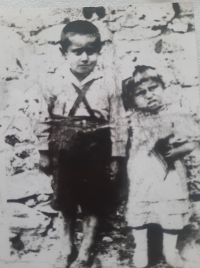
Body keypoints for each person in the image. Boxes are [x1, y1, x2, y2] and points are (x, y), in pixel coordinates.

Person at [38, 20, 127, 267]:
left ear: (100, 51)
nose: (85, 57)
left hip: (97, 148)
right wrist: (43, 150)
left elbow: (119, 120)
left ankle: (86, 250)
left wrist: (117, 156)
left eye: (92, 51)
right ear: (64, 52)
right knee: (65, 199)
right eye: (77, 52)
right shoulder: (53, 80)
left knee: (93, 199)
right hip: (64, 147)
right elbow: (42, 116)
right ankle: (66, 247)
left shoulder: (109, 81)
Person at [122, 65, 199, 268]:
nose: (149, 95)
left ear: (163, 88)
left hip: (170, 172)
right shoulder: (132, 118)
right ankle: (141, 249)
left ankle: (170, 249)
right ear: (132, 98)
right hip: (142, 172)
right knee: (141, 207)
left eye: (153, 88)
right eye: (141, 93)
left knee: (170, 208)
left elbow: (192, 142)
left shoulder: (176, 115)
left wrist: (177, 152)